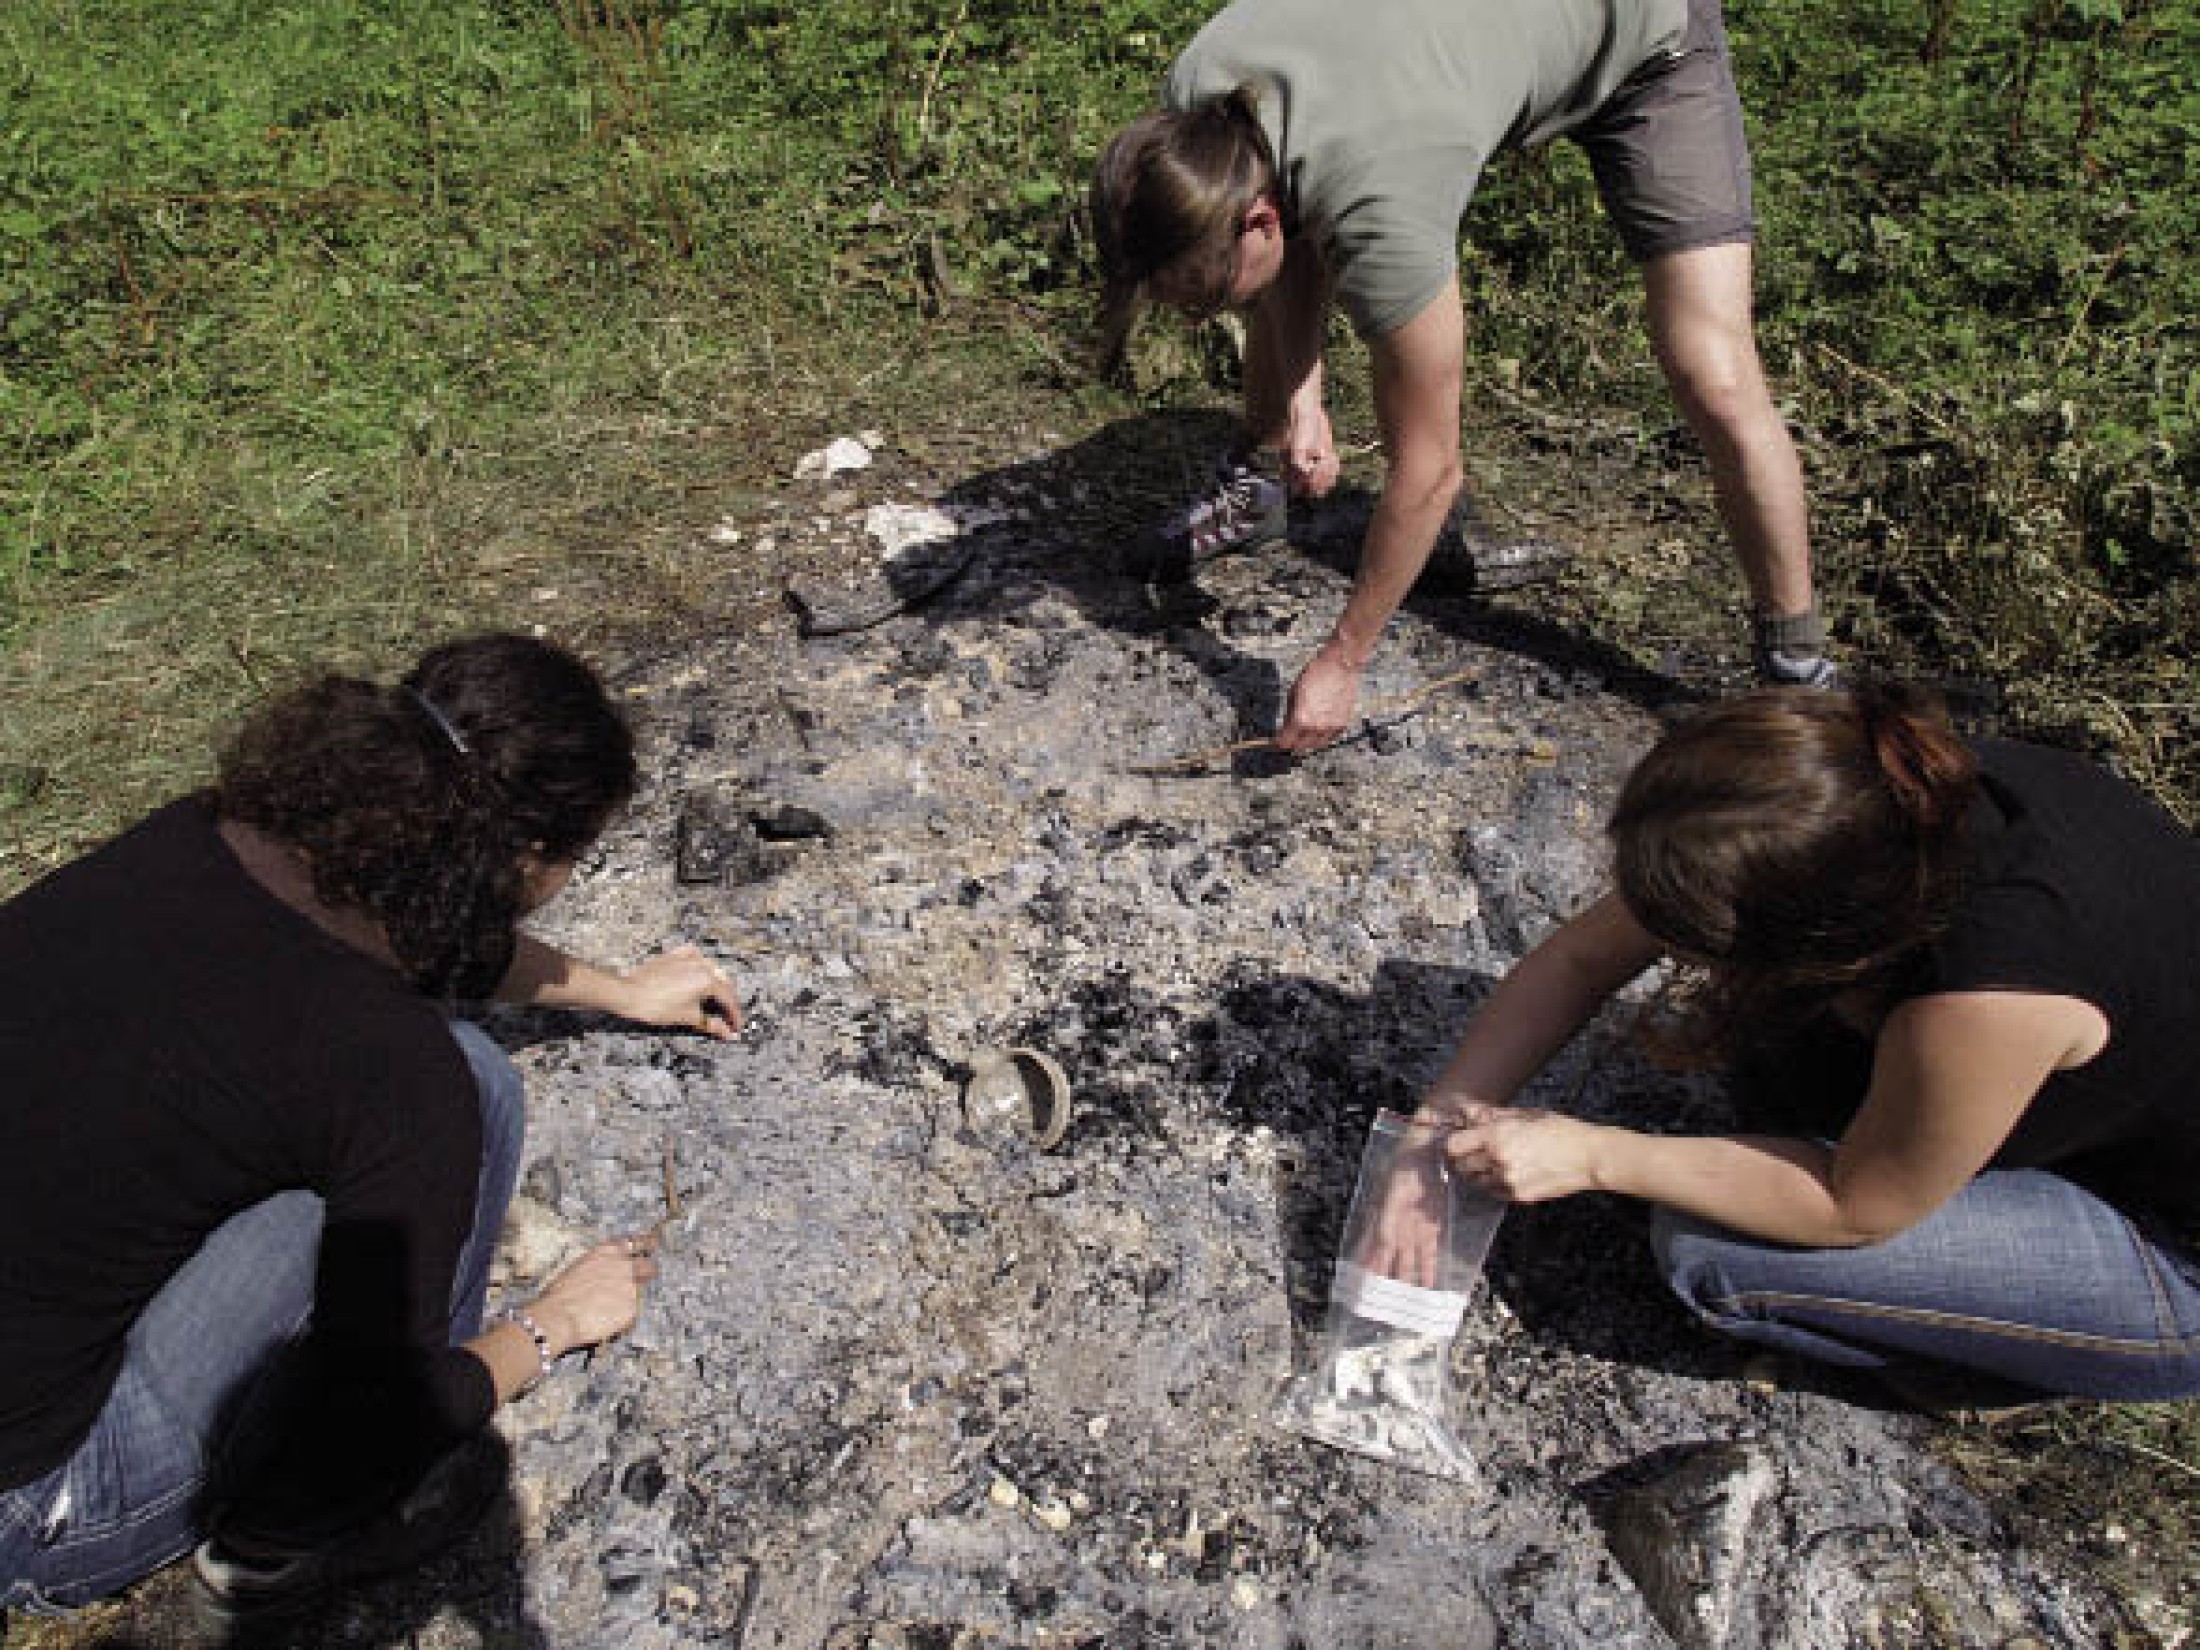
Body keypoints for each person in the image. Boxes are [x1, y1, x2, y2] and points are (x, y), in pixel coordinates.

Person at [0, 633, 743, 1619]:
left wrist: (617, 991)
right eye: (573, 855)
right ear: (525, 860)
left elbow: (431, 922)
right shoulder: (393, 1077)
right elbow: (373, 1420)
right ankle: (274, 1556)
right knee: (471, 1093)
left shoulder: (198, 835)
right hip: (38, 1499)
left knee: (452, 1080)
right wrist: (550, 1324)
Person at [1370, 685, 2200, 1401]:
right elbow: (1588, 956)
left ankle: (1997, 1364)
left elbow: (1855, 1206)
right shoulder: (1859, 795)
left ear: (1826, 936)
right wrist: (1431, 1135)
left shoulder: (1989, 989)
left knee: (1714, 1250)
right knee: (1767, 1072)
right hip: (2072, 1086)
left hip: (2165, 1249)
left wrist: (1595, 1155)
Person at [1091, 0, 1832, 754]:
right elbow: (1291, 196)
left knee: (1714, 373)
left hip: (1647, 42)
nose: (1194, 318)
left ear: (1259, 223)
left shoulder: (1384, 207)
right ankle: (1256, 482)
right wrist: (1299, 397)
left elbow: (1431, 468)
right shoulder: (1202, 105)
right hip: (1443, 67)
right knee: (1291, 229)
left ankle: (1797, 665)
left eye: (1208, 295)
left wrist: (1344, 659)